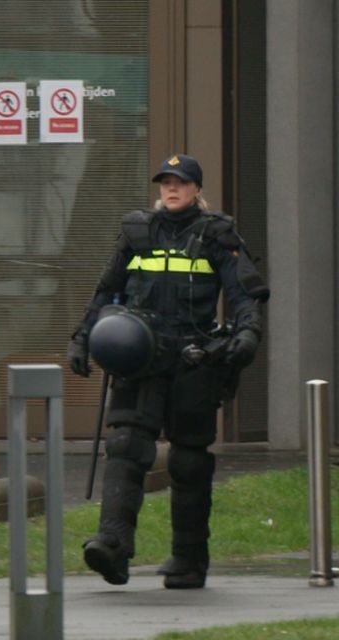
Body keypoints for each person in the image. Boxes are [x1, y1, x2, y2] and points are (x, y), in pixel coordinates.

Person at [67, 153, 269, 589]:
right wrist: (83, 336)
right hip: (140, 355)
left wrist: (247, 336)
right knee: (125, 445)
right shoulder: (137, 231)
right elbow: (107, 289)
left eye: (180, 182)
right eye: (165, 182)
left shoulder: (217, 233)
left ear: (196, 189)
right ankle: (113, 545)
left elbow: (244, 294)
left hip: (194, 358)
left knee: (189, 461)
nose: (171, 189)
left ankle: (189, 559)